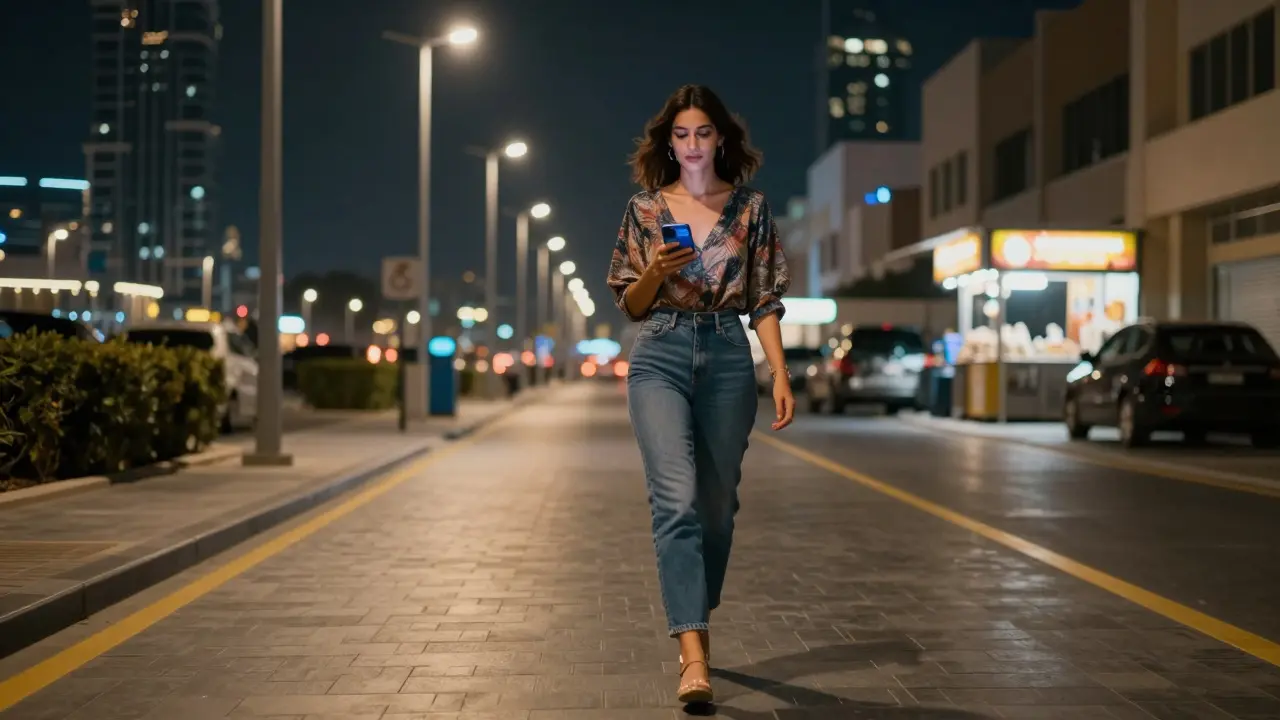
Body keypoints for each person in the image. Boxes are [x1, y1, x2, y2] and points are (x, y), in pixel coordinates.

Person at [605, 84, 794, 705]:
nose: (691, 145)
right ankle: (693, 652)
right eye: (680, 135)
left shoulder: (750, 210)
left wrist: (780, 373)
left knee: (716, 507)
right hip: (658, 352)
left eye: (703, 133)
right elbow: (631, 304)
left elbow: (763, 298)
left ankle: (694, 601)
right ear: (668, 142)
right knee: (677, 502)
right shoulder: (644, 210)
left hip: (727, 356)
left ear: (721, 139)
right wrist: (657, 269)